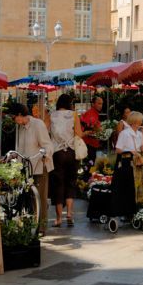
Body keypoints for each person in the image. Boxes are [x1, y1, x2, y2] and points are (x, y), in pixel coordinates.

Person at [10, 103, 54, 231]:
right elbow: (21, 149)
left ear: (19, 115)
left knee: (39, 199)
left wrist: (45, 153)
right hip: (26, 168)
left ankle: (41, 228)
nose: (14, 121)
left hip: (40, 166)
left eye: (14, 118)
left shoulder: (37, 124)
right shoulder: (21, 128)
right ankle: (29, 225)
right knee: (28, 198)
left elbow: (48, 145)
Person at [47, 94, 84, 230]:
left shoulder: (52, 115)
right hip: (71, 151)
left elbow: (45, 131)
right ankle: (69, 213)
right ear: (69, 104)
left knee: (58, 184)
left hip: (57, 153)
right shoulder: (74, 115)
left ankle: (58, 219)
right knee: (70, 182)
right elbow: (79, 134)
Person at [113, 112, 143, 209]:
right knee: (130, 185)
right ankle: (129, 207)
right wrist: (130, 151)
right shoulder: (125, 133)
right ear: (135, 121)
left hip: (138, 162)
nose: (141, 122)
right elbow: (118, 149)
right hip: (128, 162)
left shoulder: (140, 134)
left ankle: (138, 205)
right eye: (140, 120)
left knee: (139, 183)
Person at [81, 96, 103, 162]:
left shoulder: (95, 113)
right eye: (99, 103)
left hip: (92, 144)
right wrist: (97, 129)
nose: (101, 106)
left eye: (101, 104)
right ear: (93, 104)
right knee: (89, 165)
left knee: (91, 164)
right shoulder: (90, 113)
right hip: (89, 144)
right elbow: (85, 128)